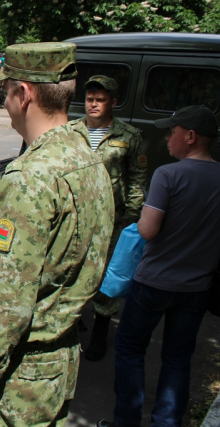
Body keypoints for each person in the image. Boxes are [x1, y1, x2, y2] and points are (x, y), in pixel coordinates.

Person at [0, 42, 114, 426]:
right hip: (59, 361)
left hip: (19, 376)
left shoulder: (31, 177)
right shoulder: (89, 158)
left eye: (3, 91)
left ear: (23, 94)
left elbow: (9, 301)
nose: (1, 101)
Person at [102, 106, 220, 427]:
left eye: (173, 131)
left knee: (129, 350)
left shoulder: (168, 175)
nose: (167, 137)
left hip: (153, 283)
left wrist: (143, 213)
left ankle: (126, 421)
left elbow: (147, 230)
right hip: (197, 288)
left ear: (191, 136)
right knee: (178, 359)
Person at [68, 75, 147, 362]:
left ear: (113, 102)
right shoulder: (71, 131)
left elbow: (137, 180)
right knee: (71, 268)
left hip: (112, 219)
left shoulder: (128, 136)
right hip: (75, 215)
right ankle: (73, 325)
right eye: (90, 99)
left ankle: (100, 334)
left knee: (105, 276)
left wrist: (131, 217)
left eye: (100, 100)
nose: (93, 104)